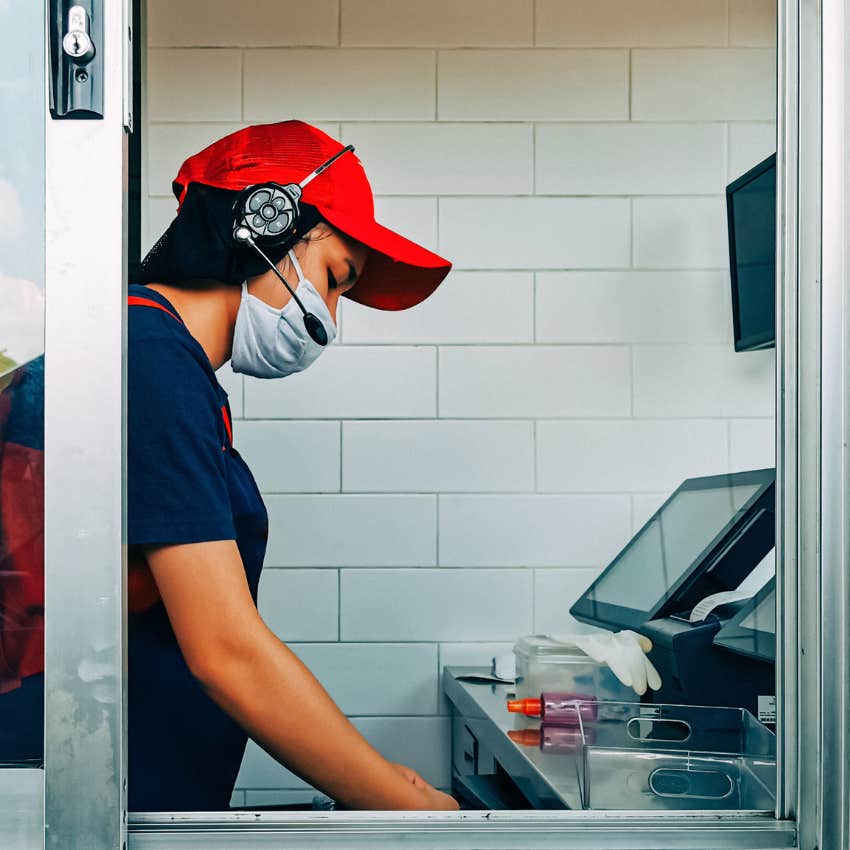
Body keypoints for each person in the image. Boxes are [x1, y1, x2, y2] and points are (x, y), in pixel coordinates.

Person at [127, 120, 457, 811]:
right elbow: (226, 651)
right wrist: (409, 811)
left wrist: (383, 780)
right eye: (336, 280)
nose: (330, 319)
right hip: (110, 797)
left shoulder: (167, 362)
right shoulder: (150, 358)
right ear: (264, 221)